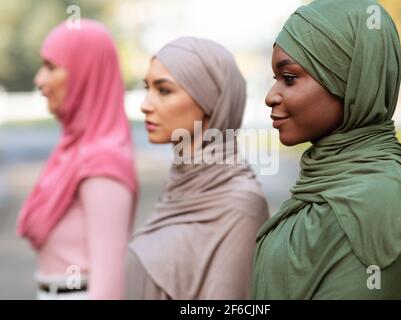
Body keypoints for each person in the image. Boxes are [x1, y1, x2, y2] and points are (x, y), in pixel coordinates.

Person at [251, 0, 401, 299]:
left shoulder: (380, 194)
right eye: (275, 79)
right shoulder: (329, 177)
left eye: (289, 78)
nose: (270, 97)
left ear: (350, 80)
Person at [126, 37, 269, 299]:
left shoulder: (240, 204)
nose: (145, 104)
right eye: (147, 88)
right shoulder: (183, 183)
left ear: (209, 101)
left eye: (164, 90)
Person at [17, 20, 138, 300]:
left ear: (85, 73)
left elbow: (108, 289)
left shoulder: (103, 161)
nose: (39, 80)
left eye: (51, 66)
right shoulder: (71, 150)